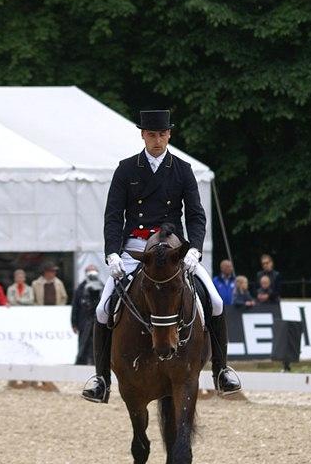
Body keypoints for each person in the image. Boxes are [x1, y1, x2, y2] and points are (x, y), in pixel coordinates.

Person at [82, 108, 241, 402]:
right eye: (152, 134)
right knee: (104, 309)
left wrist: (193, 248)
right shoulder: (126, 169)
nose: (157, 140)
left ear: (169, 134)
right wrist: (112, 254)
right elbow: (113, 216)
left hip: (172, 250)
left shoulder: (182, 169)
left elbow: (196, 215)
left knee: (216, 301)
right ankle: (101, 379)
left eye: (162, 134)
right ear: (143, 135)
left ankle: (221, 370)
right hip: (135, 249)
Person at [71, 265, 103, 365]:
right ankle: (81, 362)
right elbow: (75, 306)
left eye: (94, 271)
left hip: (98, 321)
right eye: (90, 271)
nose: (92, 274)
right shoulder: (80, 288)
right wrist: (74, 323)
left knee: (97, 342)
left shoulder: (102, 286)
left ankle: (96, 362)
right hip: (84, 321)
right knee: (83, 343)